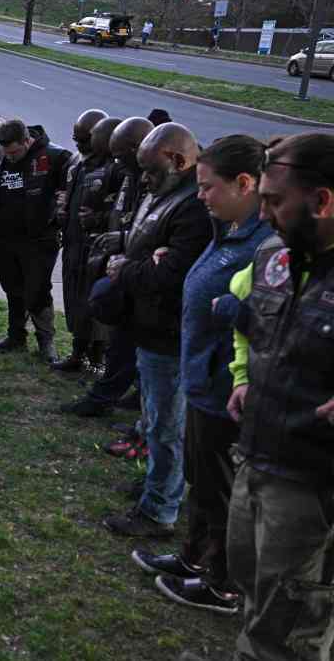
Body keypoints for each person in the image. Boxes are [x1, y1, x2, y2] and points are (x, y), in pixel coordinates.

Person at [133, 135, 272, 616]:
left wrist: (233, 310)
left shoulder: (262, 243)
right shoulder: (227, 230)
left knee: (222, 488)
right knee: (202, 481)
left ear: (245, 183)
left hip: (225, 384)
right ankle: (194, 557)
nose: (200, 196)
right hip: (202, 380)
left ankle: (221, 580)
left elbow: (267, 316)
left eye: (209, 187)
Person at [221, 133, 334, 660]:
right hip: (256, 460)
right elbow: (248, 323)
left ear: (323, 201)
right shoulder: (275, 256)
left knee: (289, 625)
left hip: (311, 488)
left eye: (274, 202)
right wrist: (241, 377)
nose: (262, 216)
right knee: (253, 592)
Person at [103, 122, 211, 537]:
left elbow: (170, 274)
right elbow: (150, 254)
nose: (143, 180)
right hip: (149, 328)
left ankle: (159, 509)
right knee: (154, 419)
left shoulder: (193, 207)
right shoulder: (166, 193)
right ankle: (158, 485)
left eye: (149, 171)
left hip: (169, 333)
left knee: (167, 425)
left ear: (178, 160)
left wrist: (127, 269)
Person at [79, 117, 156, 427]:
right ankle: (111, 395)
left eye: (121, 157)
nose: (116, 164)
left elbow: (155, 229)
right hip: (126, 265)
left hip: (145, 272)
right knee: (123, 338)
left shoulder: (160, 180)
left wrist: (125, 240)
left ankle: (119, 400)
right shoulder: (133, 174)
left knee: (135, 342)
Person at [0, 118, 71, 361]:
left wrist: (60, 211)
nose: (9, 156)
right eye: (5, 151)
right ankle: (16, 335)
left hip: (39, 239)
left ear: (27, 140)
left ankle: (46, 341)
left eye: (14, 151)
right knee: (12, 287)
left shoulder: (55, 157)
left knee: (37, 289)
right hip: (3, 237)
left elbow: (69, 192)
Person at [53, 109, 109, 370]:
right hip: (74, 242)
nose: (77, 144)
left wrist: (99, 219)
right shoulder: (76, 162)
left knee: (96, 304)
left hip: (98, 248)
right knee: (74, 299)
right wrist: (61, 210)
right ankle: (77, 352)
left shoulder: (114, 167)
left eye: (84, 139)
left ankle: (98, 357)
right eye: (75, 138)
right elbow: (65, 193)